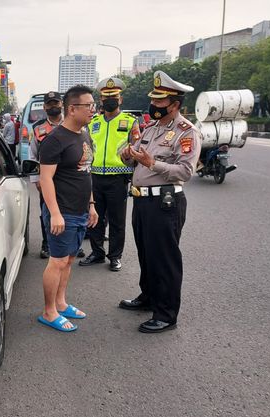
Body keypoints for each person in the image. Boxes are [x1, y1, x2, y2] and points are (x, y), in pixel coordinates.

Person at [118, 70, 201, 333]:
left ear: (175, 104)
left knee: (164, 259)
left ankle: (166, 314)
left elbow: (185, 172)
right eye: (153, 100)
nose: (153, 105)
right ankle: (149, 297)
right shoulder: (150, 129)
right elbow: (134, 160)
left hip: (165, 203)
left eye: (160, 101)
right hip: (142, 202)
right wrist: (127, 155)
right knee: (146, 254)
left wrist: (152, 163)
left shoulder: (185, 132)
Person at [37, 85, 99, 332]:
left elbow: (86, 172)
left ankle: (61, 303)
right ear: (72, 109)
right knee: (57, 261)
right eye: (89, 106)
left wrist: (91, 205)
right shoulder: (55, 140)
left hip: (81, 210)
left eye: (94, 105)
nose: (93, 110)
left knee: (70, 259)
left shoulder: (83, 134)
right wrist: (54, 213)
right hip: (62, 211)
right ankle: (49, 311)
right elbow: (45, 179)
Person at [80, 77, 140, 272]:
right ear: (101, 100)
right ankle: (97, 253)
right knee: (94, 218)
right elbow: (87, 147)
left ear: (120, 100)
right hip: (95, 176)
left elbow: (137, 148)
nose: (110, 100)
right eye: (106, 97)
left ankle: (115, 256)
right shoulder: (94, 122)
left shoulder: (130, 122)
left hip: (118, 178)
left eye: (114, 97)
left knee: (116, 221)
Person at [28, 91, 65, 259]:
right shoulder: (38, 128)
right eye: (49, 104)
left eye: (56, 103)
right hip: (46, 178)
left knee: (69, 210)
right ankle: (47, 243)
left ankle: (69, 243)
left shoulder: (72, 124)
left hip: (68, 178)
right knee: (47, 211)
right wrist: (36, 179)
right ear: (44, 107)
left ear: (62, 104)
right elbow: (32, 155)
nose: (53, 107)